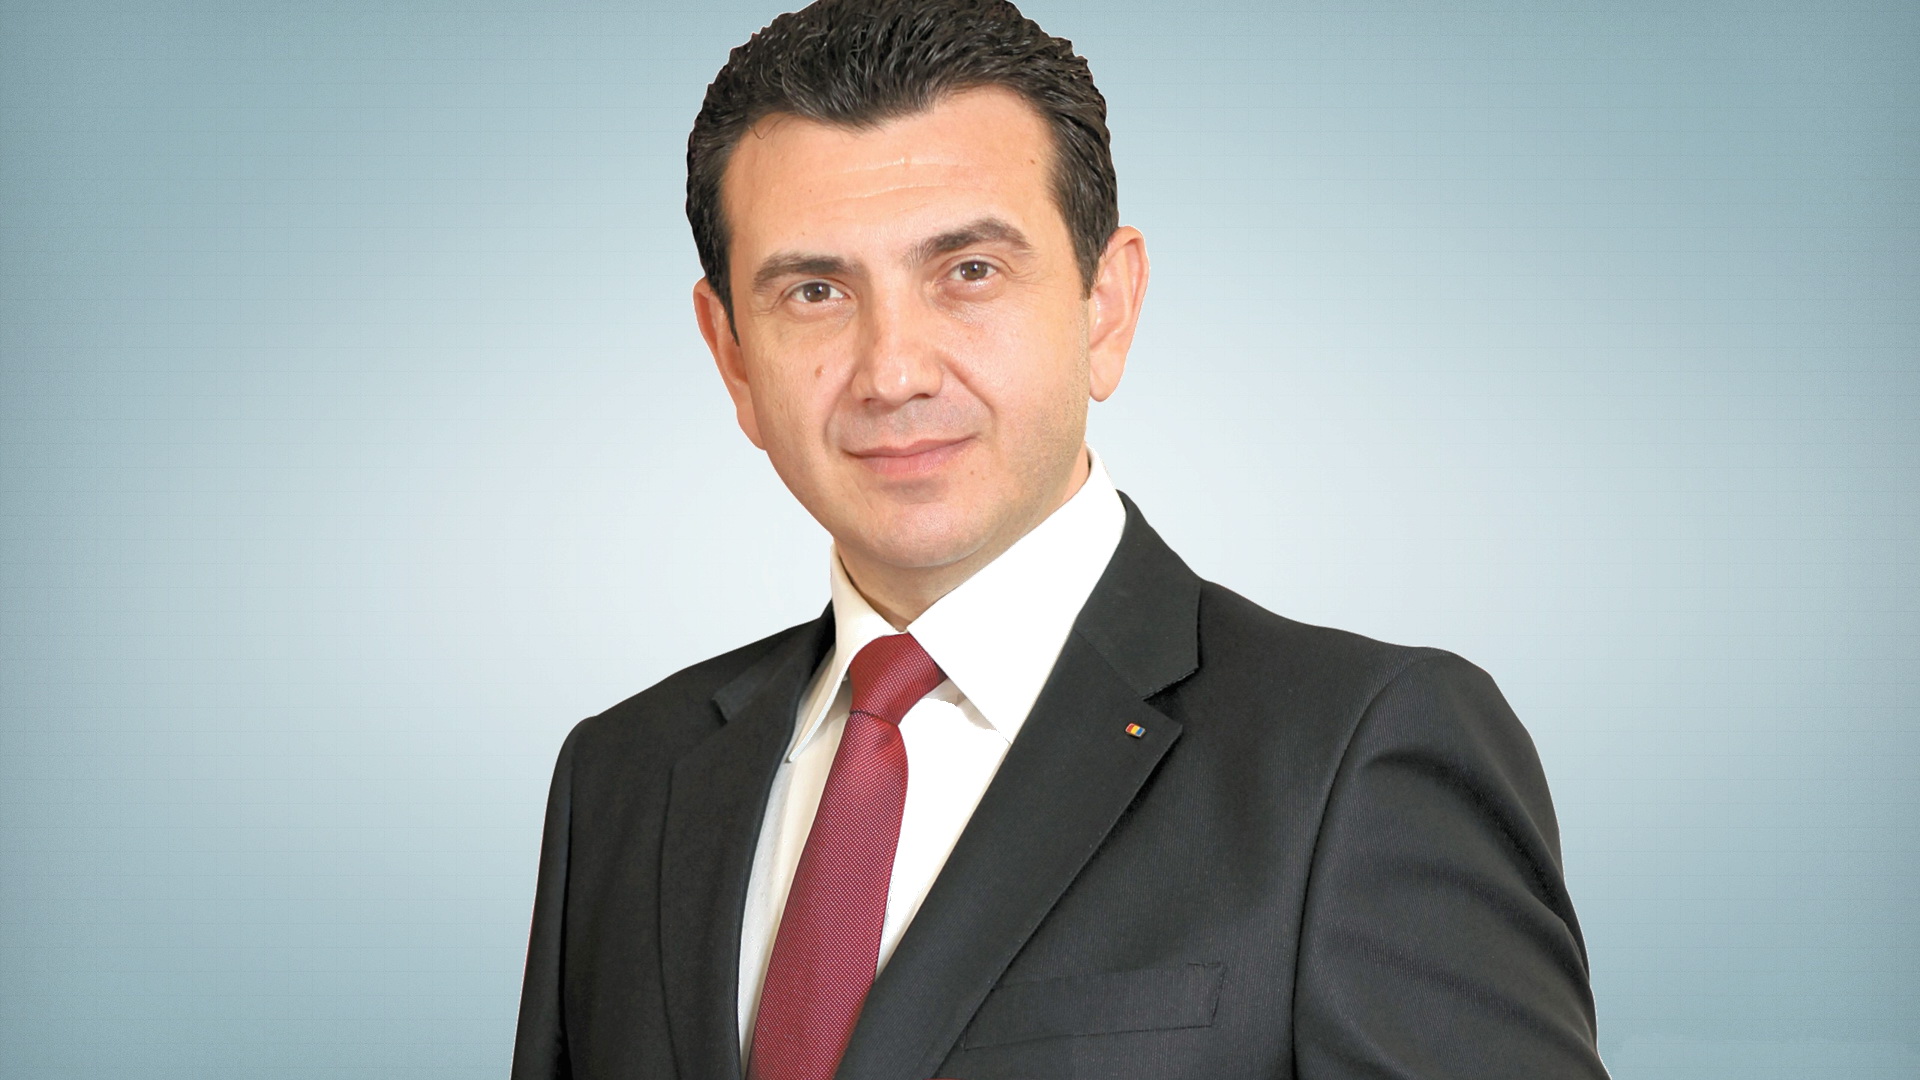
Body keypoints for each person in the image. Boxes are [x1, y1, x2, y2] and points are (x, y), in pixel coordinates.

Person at [511, 1, 1610, 1077]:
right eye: (814, 290)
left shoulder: (1356, 759)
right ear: (734, 357)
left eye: (970, 272)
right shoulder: (621, 778)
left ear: (1106, 307)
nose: (893, 371)